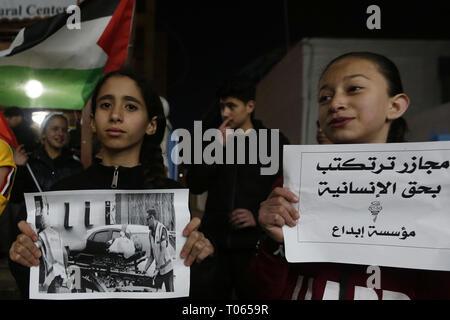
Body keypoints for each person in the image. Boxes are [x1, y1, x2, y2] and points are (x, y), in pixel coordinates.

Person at [249, 52, 450, 300]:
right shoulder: (291, 186)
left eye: (354, 88)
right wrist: (273, 245)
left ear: (395, 105)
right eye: (325, 97)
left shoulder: (433, 186)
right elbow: (260, 295)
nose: (335, 104)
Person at [8, 69, 215, 298]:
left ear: (151, 125)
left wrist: (202, 259)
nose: (115, 115)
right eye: (106, 105)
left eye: (130, 106)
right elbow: (38, 285)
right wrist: (23, 259)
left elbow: (199, 292)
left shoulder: (176, 200)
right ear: (93, 121)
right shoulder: (60, 194)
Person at [186, 76, 290, 299]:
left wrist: (256, 215)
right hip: (216, 244)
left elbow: (287, 189)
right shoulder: (214, 140)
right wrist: (216, 148)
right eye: (222, 106)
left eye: (231, 106)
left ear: (250, 106)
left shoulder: (274, 142)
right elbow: (196, 184)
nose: (224, 113)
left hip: (254, 245)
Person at [11, 112, 83, 197]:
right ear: (44, 133)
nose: (60, 133)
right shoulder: (29, 162)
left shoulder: (75, 165)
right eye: (55, 129)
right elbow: (15, 197)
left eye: (64, 130)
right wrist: (18, 168)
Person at [143, 209, 174, 292]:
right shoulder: (150, 234)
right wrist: (144, 269)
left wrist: (157, 268)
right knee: (155, 291)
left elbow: (163, 251)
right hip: (159, 271)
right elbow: (152, 255)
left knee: (170, 293)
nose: (146, 223)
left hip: (167, 270)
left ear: (152, 218)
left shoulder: (162, 229)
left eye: (147, 219)